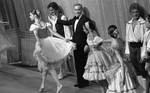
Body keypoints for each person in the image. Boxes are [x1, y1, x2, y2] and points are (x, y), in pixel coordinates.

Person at [29, 9, 75, 93]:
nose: (30, 17)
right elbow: (53, 32)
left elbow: (36, 35)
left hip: (42, 45)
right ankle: (42, 86)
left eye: (31, 15)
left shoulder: (34, 25)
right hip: (48, 43)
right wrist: (63, 38)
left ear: (35, 15)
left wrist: (39, 43)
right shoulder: (44, 23)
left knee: (48, 66)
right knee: (45, 68)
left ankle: (58, 84)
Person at [56, 3, 90, 88]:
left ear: (81, 10)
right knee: (78, 64)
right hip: (75, 45)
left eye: (79, 9)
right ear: (74, 10)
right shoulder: (74, 19)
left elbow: (89, 33)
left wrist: (87, 44)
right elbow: (67, 22)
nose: (77, 11)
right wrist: (56, 19)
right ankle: (80, 81)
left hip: (82, 45)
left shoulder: (85, 19)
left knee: (83, 64)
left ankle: (85, 82)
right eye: (75, 10)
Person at [102, 25, 144, 93]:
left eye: (116, 29)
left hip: (121, 68)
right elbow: (110, 40)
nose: (117, 30)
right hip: (125, 63)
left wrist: (123, 78)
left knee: (121, 88)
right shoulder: (119, 39)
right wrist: (102, 41)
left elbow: (121, 62)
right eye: (116, 30)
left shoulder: (115, 45)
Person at [125, 3, 149, 93]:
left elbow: (145, 40)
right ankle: (141, 89)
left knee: (142, 68)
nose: (135, 14)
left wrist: (143, 54)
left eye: (137, 12)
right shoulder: (128, 23)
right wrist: (127, 52)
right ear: (130, 13)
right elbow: (127, 38)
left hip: (140, 47)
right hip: (131, 47)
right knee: (136, 68)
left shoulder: (143, 23)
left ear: (139, 12)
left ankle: (146, 90)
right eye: (133, 12)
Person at [47, 2, 74, 80]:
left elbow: (66, 29)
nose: (51, 12)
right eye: (49, 10)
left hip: (62, 38)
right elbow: (52, 29)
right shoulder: (50, 17)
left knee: (62, 57)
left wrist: (68, 39)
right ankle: (61, 71)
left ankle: (62, 72)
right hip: (55, 38)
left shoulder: (62, 17)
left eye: (52, 10)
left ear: (56, 9)